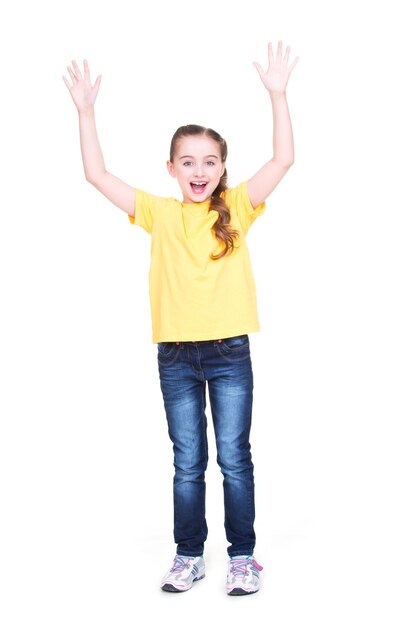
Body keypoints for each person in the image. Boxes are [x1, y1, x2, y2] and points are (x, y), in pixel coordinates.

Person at [63, 40, 299, 596]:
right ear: (171, 169)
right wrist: (86, 111)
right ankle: (189, 553)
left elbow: (283, 160)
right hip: (176, 357)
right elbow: (96, 175)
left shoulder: (238, 207)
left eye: (209, 161)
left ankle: (243, 556)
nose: (199, 170)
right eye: (187, 162)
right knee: (189, 462)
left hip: (228, 353)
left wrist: (278, 95)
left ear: (222, 168)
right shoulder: (159, 214)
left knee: (235, 460)